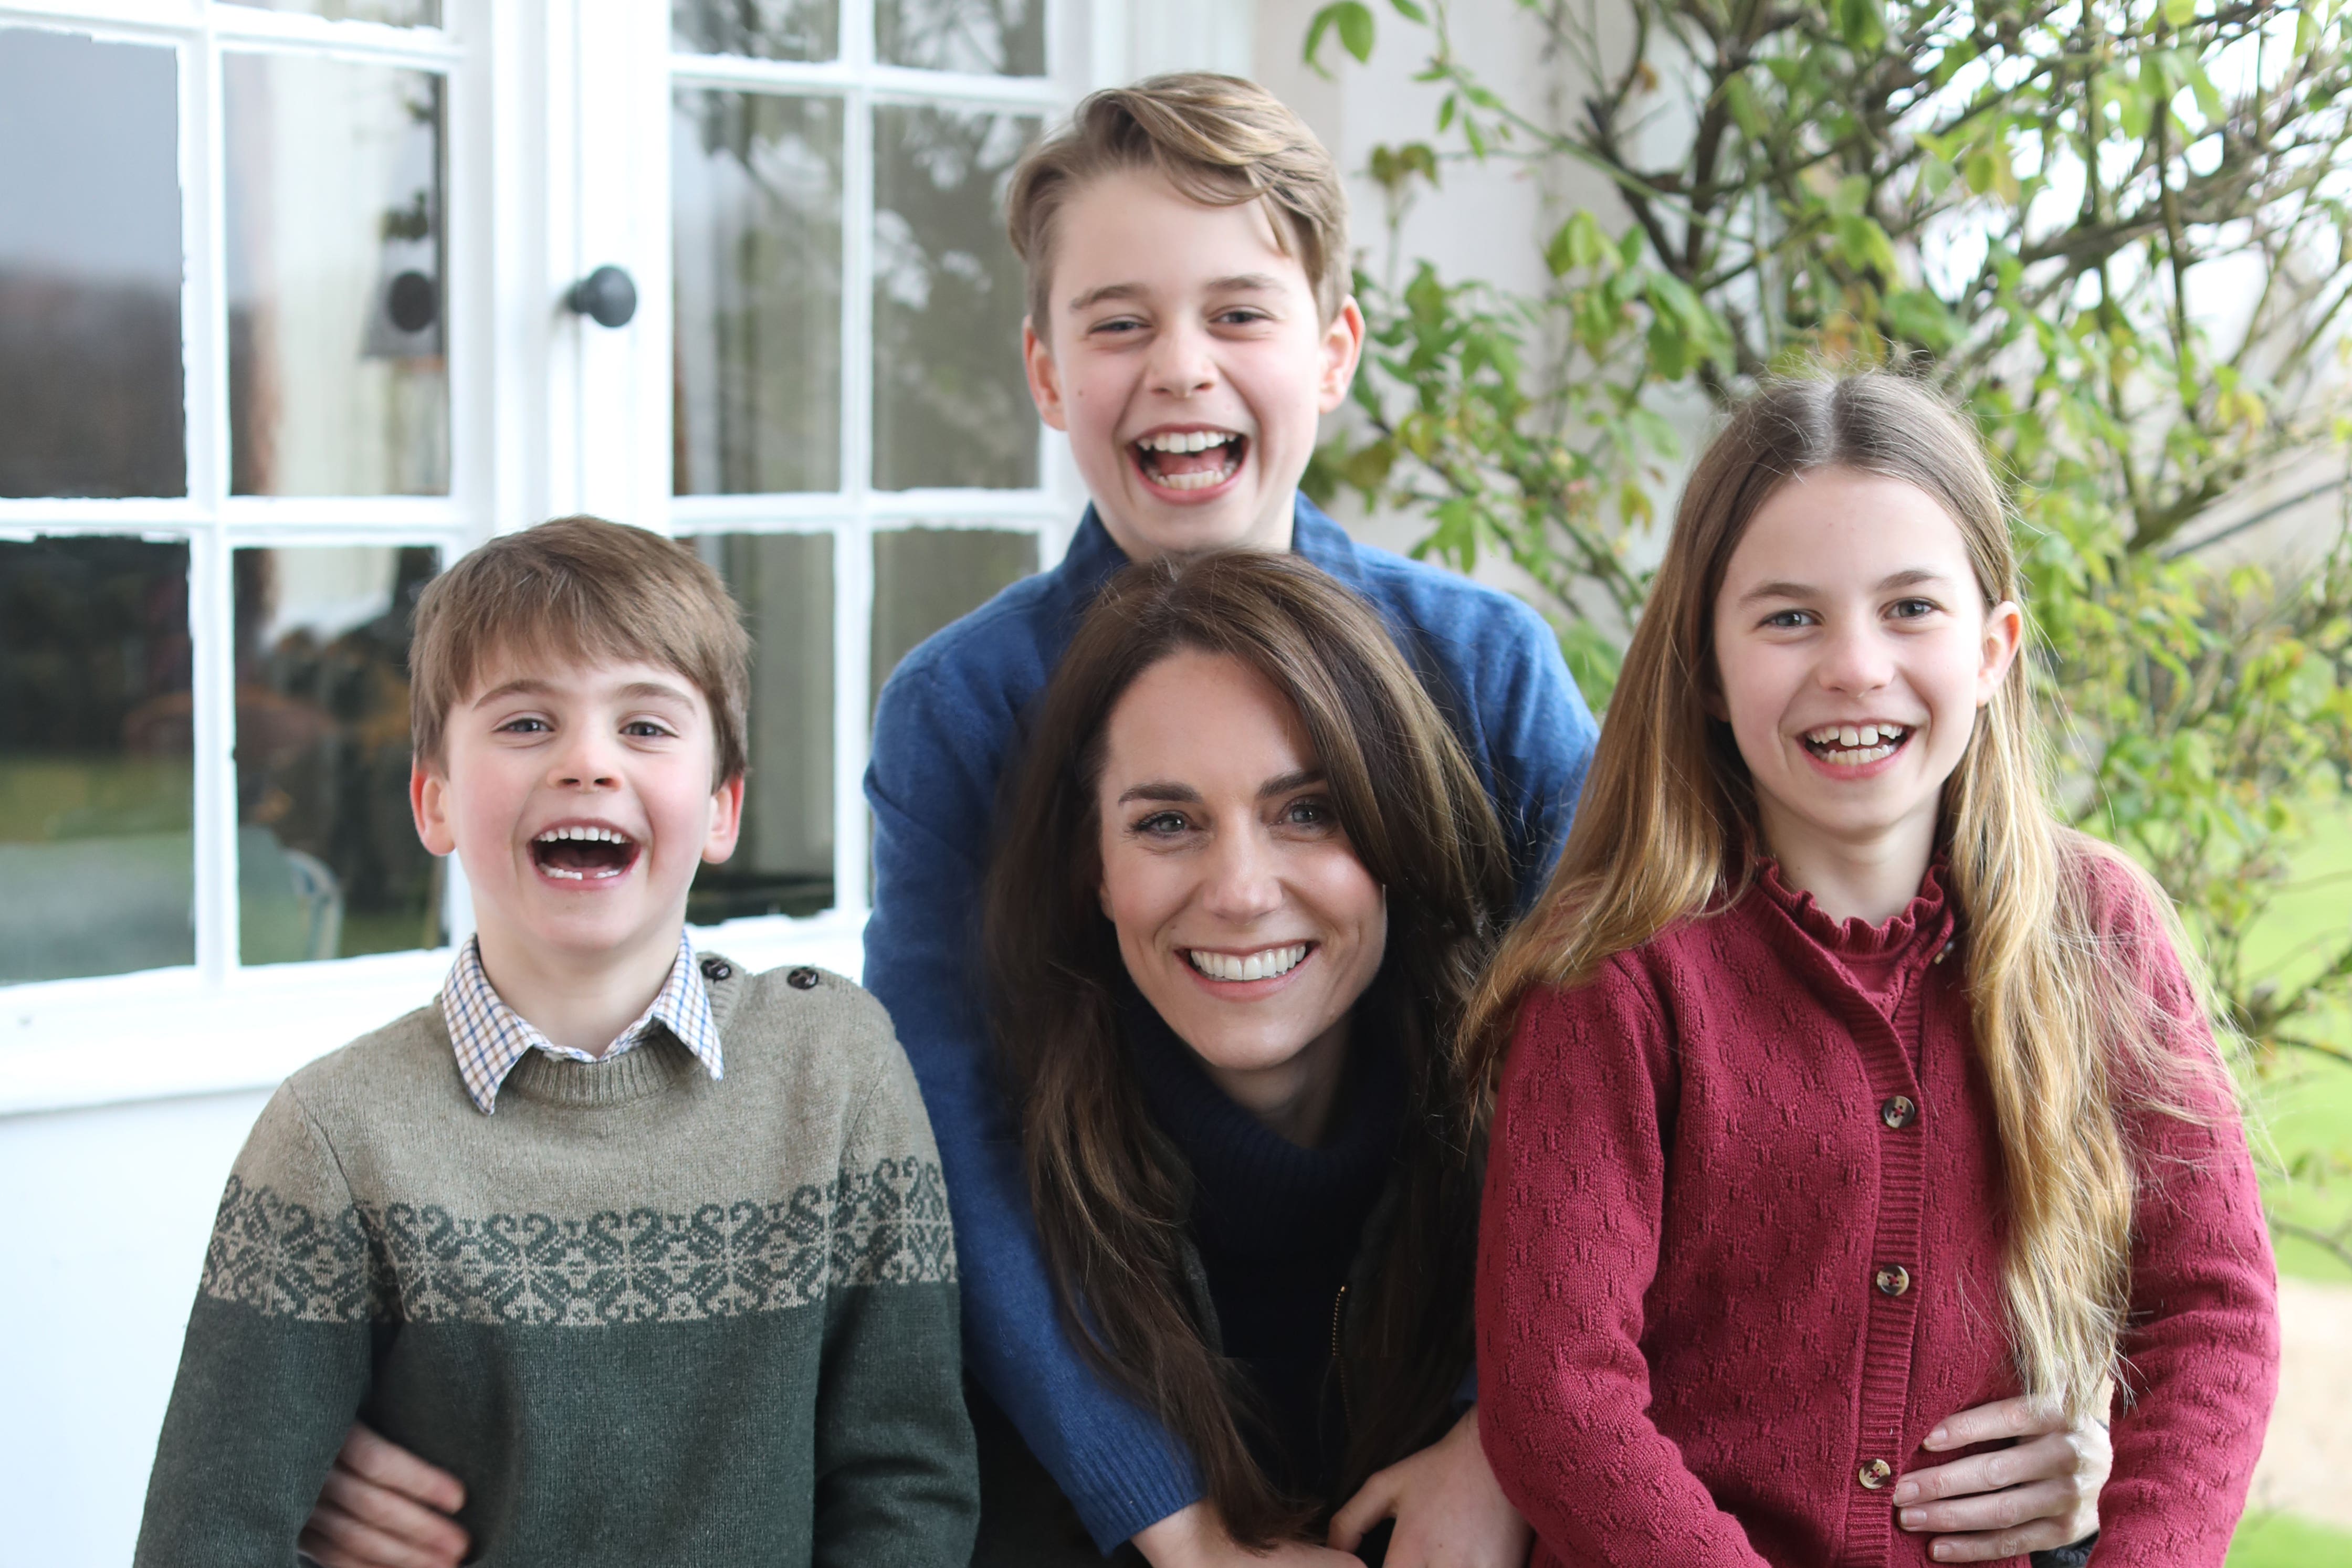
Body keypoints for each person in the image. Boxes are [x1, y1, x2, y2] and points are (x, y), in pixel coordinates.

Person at [291, 81, 2115, 1567]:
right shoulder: (968, 708)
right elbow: (946, 1149)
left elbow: (1678, 1036)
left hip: (1465, 1365)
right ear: (1043, 372)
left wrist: (1524, 1436)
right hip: (1102, 1381)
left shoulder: (1480, 664)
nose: (1179, 366)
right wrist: (1168, 1519)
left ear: (1328, 352)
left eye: (1237, 313)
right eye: (1119, 323)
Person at [1469, 373, 2280, 1566]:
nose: (1853, 666)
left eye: (1908, 608)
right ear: (1703, 664)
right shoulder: (1618, 981)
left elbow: (2211, 1314)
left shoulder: (2095, 931)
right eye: (1787, 618)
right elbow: (1557, 1397)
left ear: (1993, 648)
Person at [134, 518, 976, 1566]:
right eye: (527, 723)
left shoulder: (835, 1068)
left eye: (646, 728)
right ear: (432, 800)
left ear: (722, 810)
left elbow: (906, 1485)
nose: (587, 762)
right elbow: (206, 1540)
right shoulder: (335, 1140)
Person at [975, 549, 1517, 1565]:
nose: (1238, 891)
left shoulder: (1536, 1179)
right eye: (1167, 823)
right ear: (1094, 869)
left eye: (1305, 811)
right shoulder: (1000, 1239)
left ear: (1395, 836)